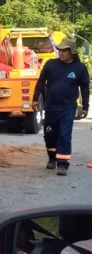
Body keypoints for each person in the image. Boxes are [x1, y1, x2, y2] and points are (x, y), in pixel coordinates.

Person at [34, 37, 90, 176]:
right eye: (59, 50)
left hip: (68, 107)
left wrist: (85, 107)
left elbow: (84, 88)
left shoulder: (80, 68)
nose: (61, 53)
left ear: (72, 52)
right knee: (50, 135)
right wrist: (35, 99)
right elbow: (41, 82)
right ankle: (52, 158)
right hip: (51, 106)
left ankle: (63, 164)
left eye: (64, 51)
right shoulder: (51, 65)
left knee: (64, 135)